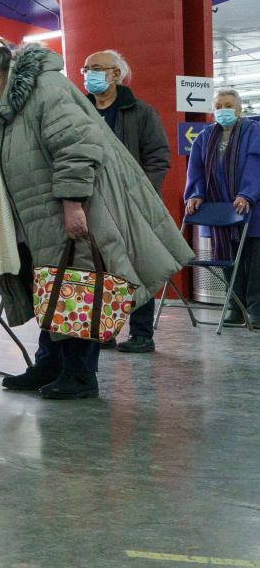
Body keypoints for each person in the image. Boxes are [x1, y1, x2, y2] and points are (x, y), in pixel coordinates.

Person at [0, 38, 192, 399]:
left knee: (76, 286)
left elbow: (75, 146)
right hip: (34, 215)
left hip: (62, 208)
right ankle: (50, 363)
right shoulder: (9, 102)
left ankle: (80, 375)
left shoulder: (46, 88)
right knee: (48, 288)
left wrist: (72, 202)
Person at [82, 49, 171, 353]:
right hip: (92, 201)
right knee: (100, 267)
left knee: (138, 264)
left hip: (132, 202)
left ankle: (142, 333)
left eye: (96, 68)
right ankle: (105, 330)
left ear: (116, 74)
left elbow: (158, 157)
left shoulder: (141, 112)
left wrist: (142, 195)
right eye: (85, 69)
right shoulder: (80, 110)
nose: (89, 74)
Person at [184, 89, 260, 327]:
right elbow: (195, 168)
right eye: (218, 106)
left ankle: (257, 309)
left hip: (252, 207)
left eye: (228, 105)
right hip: (220, 209)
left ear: (239, 109)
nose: (223, 110)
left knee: (254, 259)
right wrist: (195, 194)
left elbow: (256, 164)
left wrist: (248, 193)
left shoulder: (254, 132)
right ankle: (235, 308)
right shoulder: (205, 136)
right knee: (226, 257)